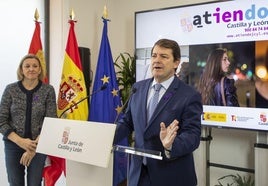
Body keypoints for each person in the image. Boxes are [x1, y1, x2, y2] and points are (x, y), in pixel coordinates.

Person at [114, 39, 203, 186]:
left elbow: (192, 135)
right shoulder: (138, 88)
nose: (157, 60)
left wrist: (171, 144)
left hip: (171, 176)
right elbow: (128, 121)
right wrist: (107, 137)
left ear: (176, 63)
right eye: (154, 55)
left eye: (164, 56)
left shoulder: (189, 95)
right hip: (138, 175)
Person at [0, 54, 57, 186]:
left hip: (38, 145)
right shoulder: (10, 89)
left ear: (40, 70)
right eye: (27, 66)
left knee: (35, 183)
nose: (31, 69)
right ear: (21, 70)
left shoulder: (48, 90)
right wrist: (21, 142)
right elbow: (1, 121)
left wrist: (31, 148)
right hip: (13, 145)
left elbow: (51, 121)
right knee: (15, 183)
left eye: (35, 66)